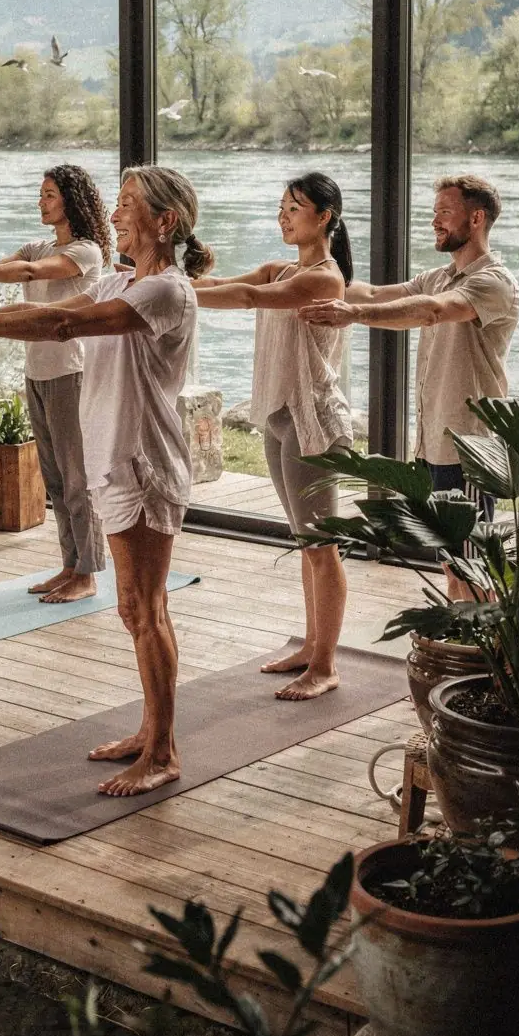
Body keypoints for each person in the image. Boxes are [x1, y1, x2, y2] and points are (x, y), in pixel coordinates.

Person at [0, 165, 213, 797]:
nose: (114, 215)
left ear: (164, 222)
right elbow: (38, 307)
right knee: (132, 609)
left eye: (127, 205)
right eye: (114, 203)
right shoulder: (122, 278)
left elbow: (61, 326)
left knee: (146, 609)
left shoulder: (165, 291)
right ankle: (151, 730)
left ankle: (164, 750)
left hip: (145, 465)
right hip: (117, 459)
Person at [300, 174, 519, 596]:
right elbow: (375, 294)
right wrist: (320, 272)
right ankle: (460, 648)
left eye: (444, 212)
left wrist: (351, 315)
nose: (434, 220)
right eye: (433, 211)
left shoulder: (493, 281)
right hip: (435, 443)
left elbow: (433, 312)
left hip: (470, 447)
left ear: (476, 218)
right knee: (453, 565)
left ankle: (487, 657)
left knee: (474, 568)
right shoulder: (439, 276)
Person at [193, 172, 354, 701]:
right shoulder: (282, 267)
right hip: (282, 420)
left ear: (324, 216)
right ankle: (311, 645)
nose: (283, 216)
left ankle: (326, 665)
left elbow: (243, 298)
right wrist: (166, 282)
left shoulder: (324, 279)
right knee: (305, 543)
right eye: (281, 207)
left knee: (321, 547)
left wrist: (174, 291)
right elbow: (222, 285)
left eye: (295, 207)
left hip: (316, 426)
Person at [0, 165, 109, 603]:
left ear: (72, 201)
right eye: (41, 194)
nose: (41, 202)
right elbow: (2, 267)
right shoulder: (39, 245)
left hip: (70, 374)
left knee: (78, 479)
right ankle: (69, 565)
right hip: (37, 372)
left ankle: (89, 573)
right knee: (56, 480)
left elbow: (26, 273)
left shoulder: (86, 252)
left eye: (49, 195)